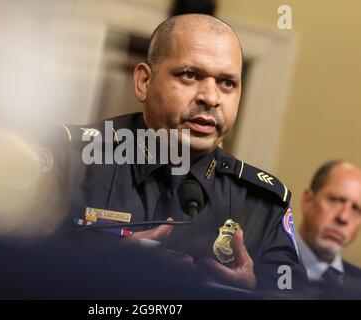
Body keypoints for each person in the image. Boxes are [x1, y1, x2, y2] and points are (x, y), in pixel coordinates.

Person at [43, 13, 306, 293]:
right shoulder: (69, 159)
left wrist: (252, 292)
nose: (211, 97)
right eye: (190, 75)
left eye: (227, 83)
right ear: (144, 82)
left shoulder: (262, 203)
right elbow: (6, 269)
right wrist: (98, 266)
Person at [297, 160, 361, 291]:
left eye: (356, 209)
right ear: (307, 201)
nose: (343, 217)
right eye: (336, 200)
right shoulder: (255, 271)